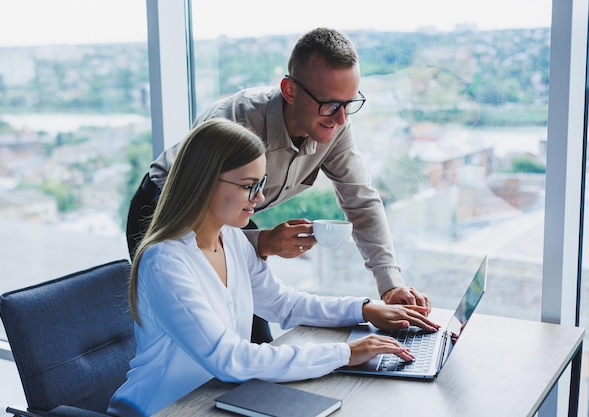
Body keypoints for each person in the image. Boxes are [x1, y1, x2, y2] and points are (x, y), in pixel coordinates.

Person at [108, 118, 440, 417]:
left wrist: (365, 309)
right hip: (162, 409)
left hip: (217, 400)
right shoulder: (165, 262)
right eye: (249, 185)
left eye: (262, 182)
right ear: (206, 182)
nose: (260, 196)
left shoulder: (232, 239)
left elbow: (283, 304)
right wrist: (344, 353)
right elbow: (231, 359)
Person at [126, 27, 431, 343]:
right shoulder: (234, 121)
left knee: (255, 332)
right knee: (212, 336)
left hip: (232, 221)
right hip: (168, 210)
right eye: (329, 104)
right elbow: (202, 216)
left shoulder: (336, 124)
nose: (341, 119)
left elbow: (361, 201)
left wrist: (389, 285)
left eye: (349, 103)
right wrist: (262, 242)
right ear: (290, 91)